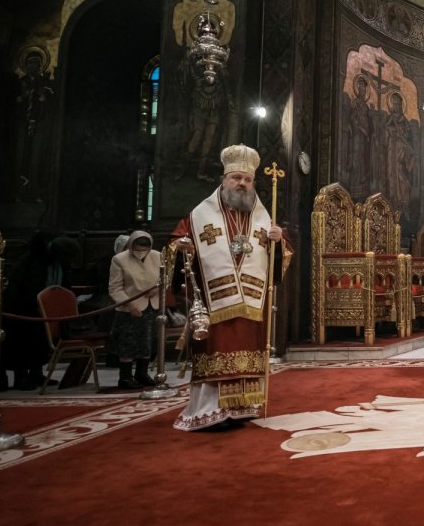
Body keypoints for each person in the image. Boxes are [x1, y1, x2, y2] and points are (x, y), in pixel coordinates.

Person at [171, 144, 292, 431]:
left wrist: (280, 241)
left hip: (251, 303)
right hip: (216, 303)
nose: (242, 184)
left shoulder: (263, 217)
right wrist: (182, 248)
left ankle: (241, 407)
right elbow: (175, 244)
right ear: (224, 180)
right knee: (217, 349)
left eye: (247, 180)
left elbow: (281, 259)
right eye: (237, 178)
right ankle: (208, 411)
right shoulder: (199, 215)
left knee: (246, 351)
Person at [1, 233, 80, 390]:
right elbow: (19, 286)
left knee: (41, 343)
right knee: (22, 344)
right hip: (23, 310)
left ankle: (36, 373)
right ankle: (20, 377)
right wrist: (33, 304)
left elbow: (64, 283)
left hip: (46, 311)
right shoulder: (30, 260)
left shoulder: (60, 262)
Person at [107, 231, 162, 390]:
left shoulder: (158, 256)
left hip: (152, 305)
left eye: (145, 248)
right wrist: (130, 305)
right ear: (131, 245)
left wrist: (158, 289)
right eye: (138, 248)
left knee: (148, 341)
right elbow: (115, 288)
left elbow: (164, 279)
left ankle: (142, 373)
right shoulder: (119, 260)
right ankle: (125, 377)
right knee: (128, 343)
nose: (141, 251)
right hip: (129, 307)